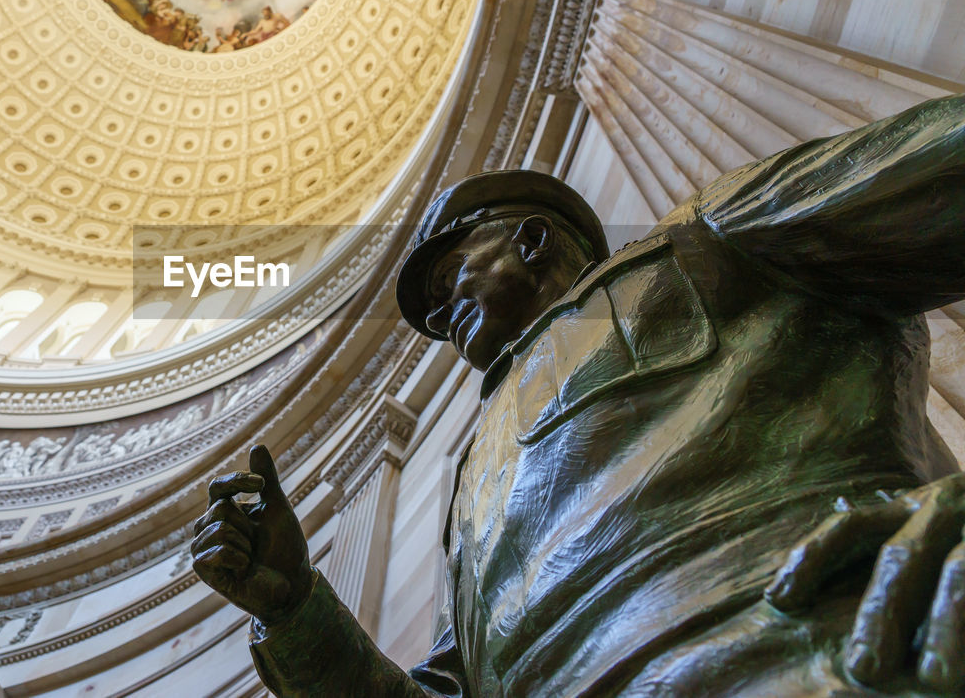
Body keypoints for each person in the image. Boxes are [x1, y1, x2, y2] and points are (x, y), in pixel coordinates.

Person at [192, 94, 965, 694]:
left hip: (809, 653)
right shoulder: (468, 497)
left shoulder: (703, 243)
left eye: (446, 277)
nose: (436, 316)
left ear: (529, 240)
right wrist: (294, 605)